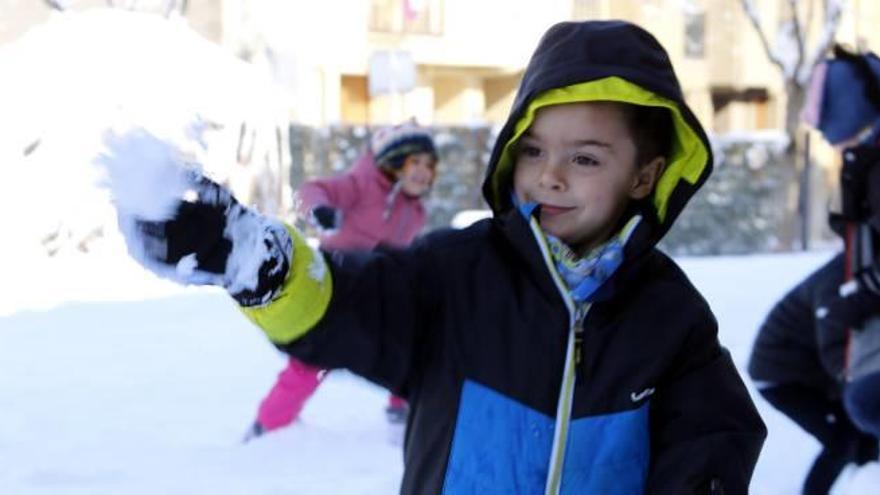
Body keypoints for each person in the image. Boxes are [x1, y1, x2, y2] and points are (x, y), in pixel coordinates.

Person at [106, 20, 766, 493]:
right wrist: (254, 259)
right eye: (534, 150)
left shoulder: (670, 315)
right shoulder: (459, 274)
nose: (550, 176)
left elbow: (716, 432)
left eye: (586, 158)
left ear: (647, 175)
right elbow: (353, 303)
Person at [246, 122, 438, 440]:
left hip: (383, 287)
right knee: (311, 362)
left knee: (408, 343)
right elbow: (313, 190)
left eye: (429, 165)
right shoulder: (361, 183)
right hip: (339, 283)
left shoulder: (416, 211)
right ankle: (268, 425)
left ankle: (401, 405)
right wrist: (320, 210)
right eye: (414, 162)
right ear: (393, 160)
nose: (423, 171)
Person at [749, 45, 880, 494]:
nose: (829, 144)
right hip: (780, 371)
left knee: (858, 427)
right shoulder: (838, 283)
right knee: (851, 435)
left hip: (807, 367)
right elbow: (832, 334)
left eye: (832, 131)